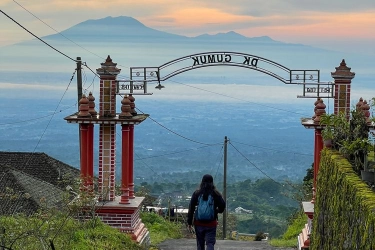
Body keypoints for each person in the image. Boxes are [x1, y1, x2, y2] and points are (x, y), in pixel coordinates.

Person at [187, 174, 226, 250]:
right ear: (212, 182)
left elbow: (191, 208)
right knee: (210, 243)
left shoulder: (197, 193)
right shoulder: (216, 194)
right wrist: (217, 211)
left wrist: (189, 222)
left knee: (200, 244)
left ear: (202, 182)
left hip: (198, 223)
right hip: (211, 223)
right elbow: (222, 205)